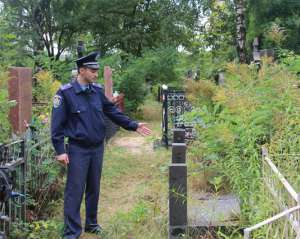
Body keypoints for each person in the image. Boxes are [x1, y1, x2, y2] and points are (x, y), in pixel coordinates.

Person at [51, 52, 151, 239]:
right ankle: (72, 231)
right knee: (75, 190)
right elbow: (56, 125)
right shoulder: (65, 94)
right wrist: (60, 151)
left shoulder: (96, 91)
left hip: (97, 147)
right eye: (92, 70)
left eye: (97, 70)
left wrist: (133, 125)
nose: (96, 73)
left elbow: (112, 112)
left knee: (94, 188)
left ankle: (91, 224)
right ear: (81, 70)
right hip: (78, 149)